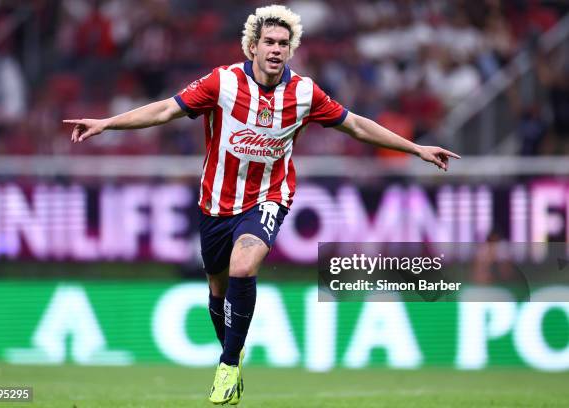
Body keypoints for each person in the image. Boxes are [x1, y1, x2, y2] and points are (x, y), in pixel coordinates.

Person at [64, 4, 460, 405]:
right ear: (252, 47)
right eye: (269, 42)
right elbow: (166, 109)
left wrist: (415, 148)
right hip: (216, 202)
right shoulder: (222, 83)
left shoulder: (305, 93)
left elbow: (356, 125)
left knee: (244, 264)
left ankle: (228, 364)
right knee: (218, 291)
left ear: (291, 50)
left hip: (270, 197)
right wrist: (106, 123)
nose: (276, 49)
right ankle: (232, 358)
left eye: (283, 44)